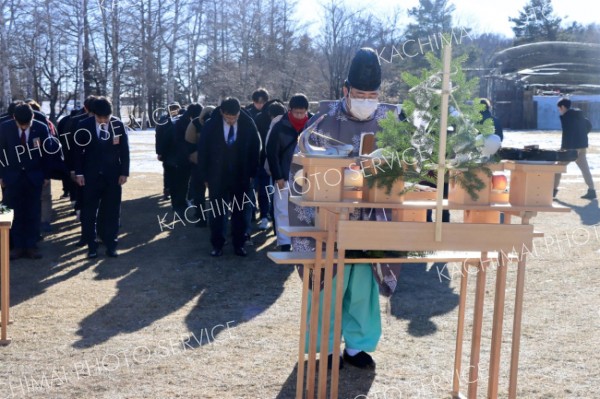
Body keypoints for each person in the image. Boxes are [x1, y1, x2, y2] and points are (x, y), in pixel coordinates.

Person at [289, 48, 400, 369]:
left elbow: (408, 170)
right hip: (328, 221)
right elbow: (299, 172)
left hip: (372, 221)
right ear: (345, 91)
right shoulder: (323, 121)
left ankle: (357, 346)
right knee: (327, 285)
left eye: (372, 94)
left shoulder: (390, 123)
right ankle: (323, 348)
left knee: (362, 289)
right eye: (359, 94)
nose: (366, 99)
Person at [197, 98, 261, 257]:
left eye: (235, 117)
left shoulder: (248, 124)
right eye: (228, 117)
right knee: (218, 212)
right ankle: (217, 244)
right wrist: (205, 176)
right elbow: (203, 151)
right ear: (221, 112)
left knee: (240, 211)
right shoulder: (211, 126)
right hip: (217, 176)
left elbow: (255, 149)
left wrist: (253, 173)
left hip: (242, 176)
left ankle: (239, 244)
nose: (232, 120)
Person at [73, 97, 130, 258]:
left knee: (112, 211)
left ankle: (111, 245)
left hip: (113, 176)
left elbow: (124, 150)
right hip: (90, 176)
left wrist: (124, 172)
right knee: (89, 212)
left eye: (107, 117)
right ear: (93, 114)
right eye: (100, 118)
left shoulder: (118, 125)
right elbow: (77, 152)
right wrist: (79, 173)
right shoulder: (83, 126)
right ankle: (91, 246)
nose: (104, 120)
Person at [0, 103, 51, 259]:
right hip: (11, 177)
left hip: (34, 176)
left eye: (27, 124)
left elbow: (47, 153)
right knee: (9, 211)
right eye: (20, 124)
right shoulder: (4, 128)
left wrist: (46, 175)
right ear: (14, 118)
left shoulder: (41, 128)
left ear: (32, 117)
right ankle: (15, 245)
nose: (23, 127)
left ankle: (31, 245)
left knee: (33, 211)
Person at [266, 94, 311, 252]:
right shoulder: (280, 126)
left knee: (305, 210)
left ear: (307, 111)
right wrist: (278, 176)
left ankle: (304, 241)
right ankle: (284, 242)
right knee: (282, 209)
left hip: (308, 176)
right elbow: (272, 153)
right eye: (296, 112)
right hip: (284, 174)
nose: (299, 116)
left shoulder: (312, 124)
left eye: (302, 113)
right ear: (290, 110)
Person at [554, 98, 596, 199]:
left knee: (558, 168)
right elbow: (589, 126)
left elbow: (568, 134)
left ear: (563, 107)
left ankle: (553, 191)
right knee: (585, 169)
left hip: (571, 148)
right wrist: (581, 136)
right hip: (582, 146)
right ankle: (591, 190)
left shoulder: (566, 117)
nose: (560, 110)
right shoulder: (579, 115)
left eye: (559, 108)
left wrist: (563, 149)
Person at [185, 105, 214, 227]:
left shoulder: (217, 123)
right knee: (199, 194)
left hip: (213, 164)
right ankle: (201, 217)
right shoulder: (194, 124)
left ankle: (212, 218)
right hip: (198, 164)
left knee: (212, 194)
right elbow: (189, 144)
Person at [155, 102, 181, 201]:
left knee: (172, 172)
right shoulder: (164, 120)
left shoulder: (181, 119)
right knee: (169, 171)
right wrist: (159, 152)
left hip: (175, 151)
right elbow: (159, 136)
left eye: (176, 108)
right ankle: (167, 190)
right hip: (168, 151)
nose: (174, 111)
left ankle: (171, 190)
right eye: (173, 108)